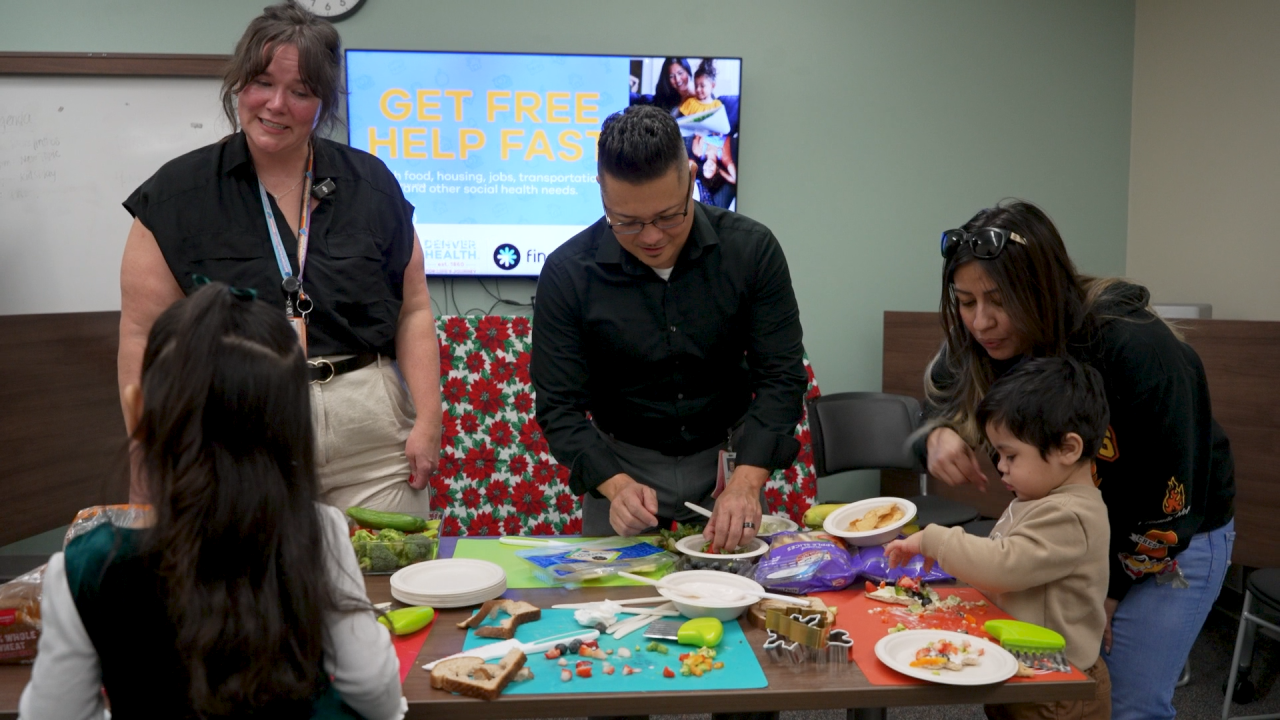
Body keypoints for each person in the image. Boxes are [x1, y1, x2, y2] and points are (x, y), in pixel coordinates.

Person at [20, 284, 405, 719]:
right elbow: (375, 689)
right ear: (294, 424)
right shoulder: (320, 530)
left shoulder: (82, 566)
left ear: (137, 411)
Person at [914, 200, 1236, 720]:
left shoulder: (1137, 347)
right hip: (1079, 526)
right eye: (966, 301)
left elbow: (1172, 496)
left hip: (1170, 530)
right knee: (1047, 688)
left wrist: (1109, 587)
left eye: (997, 300)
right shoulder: (987, 335)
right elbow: (944, 391)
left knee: (1125, 701)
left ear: (1042, 288)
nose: (981, 321)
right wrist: (941, 433)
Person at [117, 1, 441, 515]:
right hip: (238, 441)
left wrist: (428, 420)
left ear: (324, 102)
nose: (276, 104)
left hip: (370, 444)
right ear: (238, 83)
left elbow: (415, 309)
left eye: (302, 92)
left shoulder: (372, 185)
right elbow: (142, 337)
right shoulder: (176, 198)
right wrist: (146, 454)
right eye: (262, 82)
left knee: (381, 587)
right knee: (255, 593)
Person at [531, 104, 807, 551]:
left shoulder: (750, 251)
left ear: (692, 178)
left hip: (729, 461)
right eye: (626, 222)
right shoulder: (568, 273)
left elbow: (782, 378)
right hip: (621, 465)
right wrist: (615, 486)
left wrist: (746, 482)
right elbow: (559, 408)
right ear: (600, 189)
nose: (651, 237)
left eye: (668, 216)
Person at [887, 356, 1112, 720]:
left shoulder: (1069, 515)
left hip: (1055, 686)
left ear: (1068, 449)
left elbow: (1002, 565)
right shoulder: (1040, 499)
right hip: (1025, 669)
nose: (1001, 466)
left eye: (1010, 455)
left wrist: (934, 540)